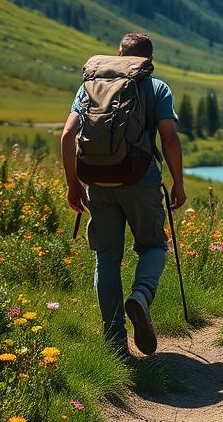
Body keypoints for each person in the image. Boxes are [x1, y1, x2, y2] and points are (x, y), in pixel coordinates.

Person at [60, 32, 186, 356]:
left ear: (118, 54)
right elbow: (169, 138)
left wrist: (74, 185)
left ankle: (115, 343)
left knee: (106, 258)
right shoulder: (157, 88)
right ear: (150, 61)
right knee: (153, 245)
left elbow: (67, 135)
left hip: (98, 183)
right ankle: (141, 296)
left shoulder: (89, 87)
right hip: (140, 180)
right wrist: (178, 182)